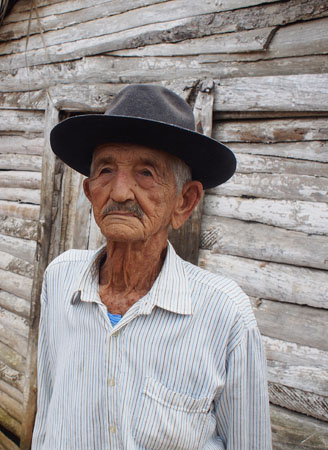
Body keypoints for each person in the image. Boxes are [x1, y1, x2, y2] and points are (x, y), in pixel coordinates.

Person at [31, 84, 272, 449]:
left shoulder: (224, 313)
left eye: (146, 173)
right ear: (89, 191)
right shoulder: (60, 278)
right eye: (106, 170)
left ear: (185, 201)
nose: (121, 192)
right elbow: (48, 407)